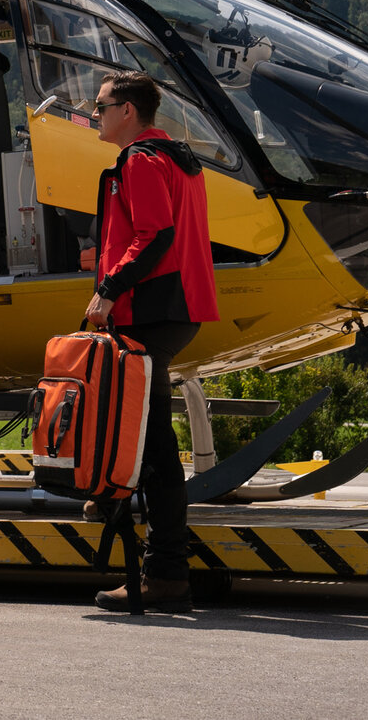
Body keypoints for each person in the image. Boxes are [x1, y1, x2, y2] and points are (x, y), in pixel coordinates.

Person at [79, 71, 219, 614]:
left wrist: (109, 290)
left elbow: (155, 234)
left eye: (100, 105)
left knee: (156, 450)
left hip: (151, 312)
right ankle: (159, 562)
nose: (93, 113)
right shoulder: (175, 158)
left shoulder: (139, 160)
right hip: (178, 309)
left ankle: (165, 574)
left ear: (127, 112)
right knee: (148, 442)